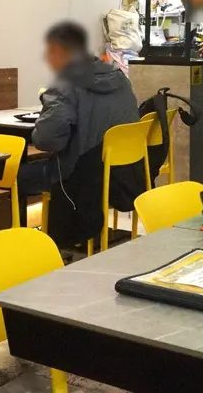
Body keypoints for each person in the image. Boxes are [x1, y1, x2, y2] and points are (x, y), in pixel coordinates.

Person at [23, 21, 139, 247]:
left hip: (81, 177)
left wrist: (42, 120)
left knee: (18, 177)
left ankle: (29, 248)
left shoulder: (65, 85)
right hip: (123, 175)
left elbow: (47, 140)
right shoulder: (120, 79)